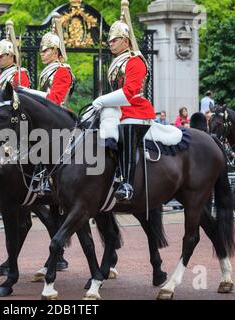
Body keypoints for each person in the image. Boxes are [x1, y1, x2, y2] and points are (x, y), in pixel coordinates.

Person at [91, 1, 155, 202]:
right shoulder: (118, 61)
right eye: (110, 39)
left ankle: (126, 183)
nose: (110, 42)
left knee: (126, 131)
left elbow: (129, 93)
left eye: (115, 39)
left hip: (136, 112)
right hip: (120, 111)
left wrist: (101, 100)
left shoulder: (135, 61)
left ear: (126, 41)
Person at [24, 13, 75, 108]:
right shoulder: (49, 71)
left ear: (55, 52)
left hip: (58, 116)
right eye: (41, 51)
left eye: (45, 51)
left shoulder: (62, 71)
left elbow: (55, 100)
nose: (41, 54)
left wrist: (30, 93)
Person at [0, 20, 30, 90]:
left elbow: (22, 96)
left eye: (1, 56)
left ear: (11, 55)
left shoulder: (20, 73)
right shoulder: (3, 73)